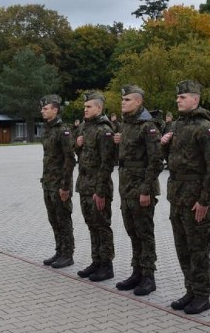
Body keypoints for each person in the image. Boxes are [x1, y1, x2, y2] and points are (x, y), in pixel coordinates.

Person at [160, 80, 210, 315]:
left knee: (198, 247)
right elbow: (170, 160)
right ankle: (190, 289)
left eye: (183, 97)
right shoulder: (177, 125)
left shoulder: (205, 127)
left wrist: (205, 200)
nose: (178, 100)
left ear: (195, 100)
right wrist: (164, 145)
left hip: (195, 196)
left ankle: (202, 295)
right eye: (177, 97)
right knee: (182, 247)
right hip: (177, 196)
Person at [113, 85, 163, 295]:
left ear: (138, 102)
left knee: (144, 232)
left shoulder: (147, 126)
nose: (123, 102)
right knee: (132, 232)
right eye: (122, 99)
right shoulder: (127, 125)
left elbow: (156, 161)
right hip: (126, 187)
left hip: (141, 188)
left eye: (127, 100)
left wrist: (146, 190)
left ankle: (148, 276)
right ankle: (137, 272)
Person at [74, 92, 117, 280]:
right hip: (84, 185)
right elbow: (79, 154)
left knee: (102, 225)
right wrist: (77, 144)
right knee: (91, 224)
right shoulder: (84, 127)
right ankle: (96, 260)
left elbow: (107, 163)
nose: (85, 109)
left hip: (99, 187)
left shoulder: (104, 129)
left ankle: (107, 265)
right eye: (84, 107)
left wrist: (100, 191)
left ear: (99, 108)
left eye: (89, 106)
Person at [39, 95, 76, 269]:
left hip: (59, 185)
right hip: (48, 183)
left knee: (63, 219)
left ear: (55, 110)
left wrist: (65, 186)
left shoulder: (63, 130)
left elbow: (70, 160)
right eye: (42, 108)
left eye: (46, 108)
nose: (42, 111)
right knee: (53, 219)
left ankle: (68, 254)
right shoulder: (48, 129)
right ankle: (59, 250)